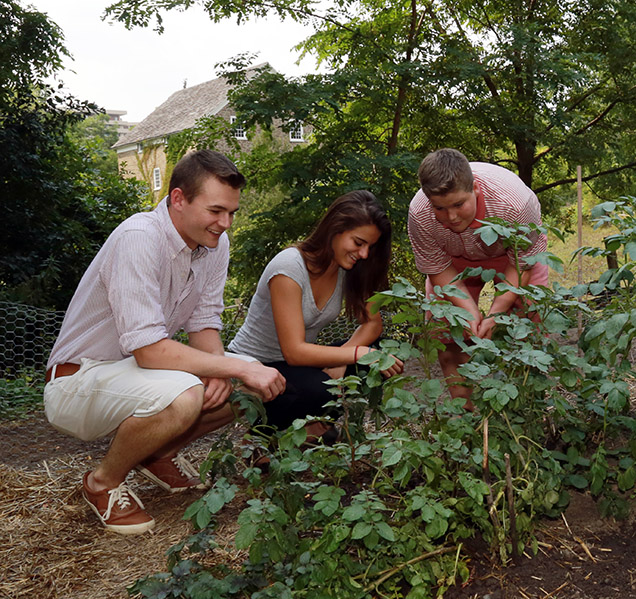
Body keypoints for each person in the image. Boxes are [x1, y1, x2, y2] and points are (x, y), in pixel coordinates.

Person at [44, 149, 286, 535]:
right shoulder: (139, 238)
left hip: (133, 376)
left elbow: (205, 321)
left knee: (247, 388)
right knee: (190, 393)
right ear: (178, 199)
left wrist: (225, 372)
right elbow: (149, 349)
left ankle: (158, 453)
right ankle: (102, 483)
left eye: (231, 213)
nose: (225, 223)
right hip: (77, 383)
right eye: (215, 211)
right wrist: (233, 365)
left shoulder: (213, 244)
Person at [228, 190, 403, 438]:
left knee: (379, 358)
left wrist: (344, 359)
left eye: (370, 247)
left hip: (296, 364)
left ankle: (308, 429)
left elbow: (372, 324)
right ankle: (259, 439)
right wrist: (355, 354)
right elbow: (294, 351)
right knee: (323, 387)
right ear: (335, 229)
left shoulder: (350, 268)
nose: (364, 254)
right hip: (256, 364)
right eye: (358, 242)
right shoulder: (289, 267)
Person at [408, 148, 548, 402]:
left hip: (512, 256)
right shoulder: (419, 214)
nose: (450, 217)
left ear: (476, 189)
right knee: (446, 331)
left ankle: (526, 405)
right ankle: (466, 414)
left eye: (459, 205)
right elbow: (437, 269)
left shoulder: (516, 204)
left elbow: (522, 263)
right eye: (439, 208)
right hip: (452, 262)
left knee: (531, 321)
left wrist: (496, 312)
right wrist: (469, 313)